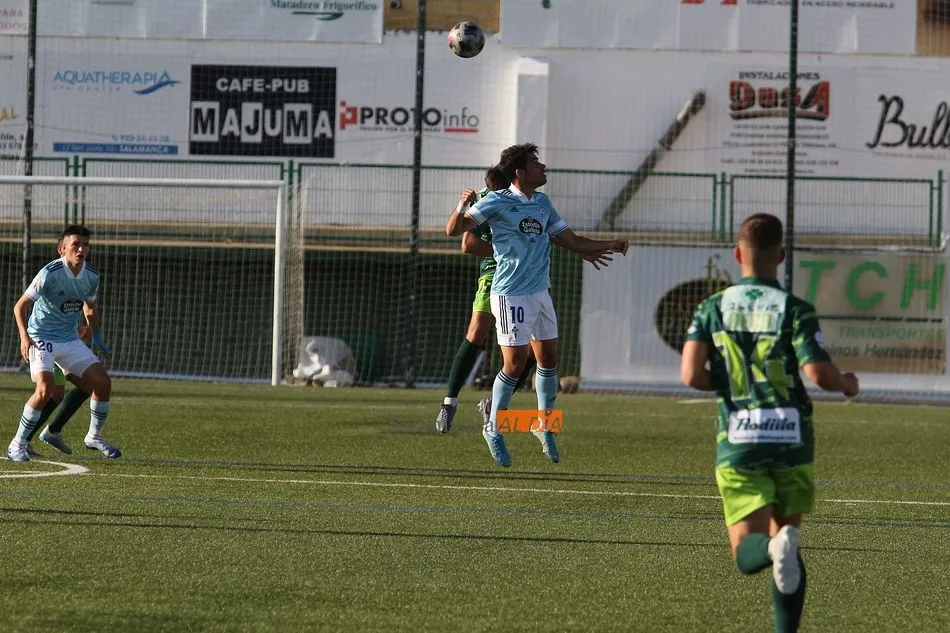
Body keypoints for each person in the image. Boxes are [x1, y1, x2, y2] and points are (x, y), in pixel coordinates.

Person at [680, 213, 859, 633]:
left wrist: (727, 383)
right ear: (781, 255)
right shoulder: (795, 309)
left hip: (740, 438)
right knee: (787, 543)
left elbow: (690, 375)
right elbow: (818, 373)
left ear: (737, 254)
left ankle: (773, 548)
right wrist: (846, 384)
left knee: (750, 551)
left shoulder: (712, 308)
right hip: (792, 438)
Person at [446, 143, 628, 467]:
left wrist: (609, 244)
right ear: (520, 172)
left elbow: (570, 239)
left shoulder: (543, 203)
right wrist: (461, 206)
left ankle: (544, 424)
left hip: (540, 293)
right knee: (514, 364)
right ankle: (493, 427)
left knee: (548, 359)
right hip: (510, 293)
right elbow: (455, 231)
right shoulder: (497, 201)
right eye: (535, 163)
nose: (542, 167)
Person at [8, 224, 120, 462]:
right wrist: (24, 337)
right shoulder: (50, 273)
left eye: (85, 245)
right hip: (41, 337)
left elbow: (90, 306)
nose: (81, 249)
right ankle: (17, 444)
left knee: (102, 382)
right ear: (62, 249)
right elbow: (20, 306)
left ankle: (94, 436)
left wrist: (96, 334)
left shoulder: (91, 276)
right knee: (46, 389)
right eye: (75, 245)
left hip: (69, 340)